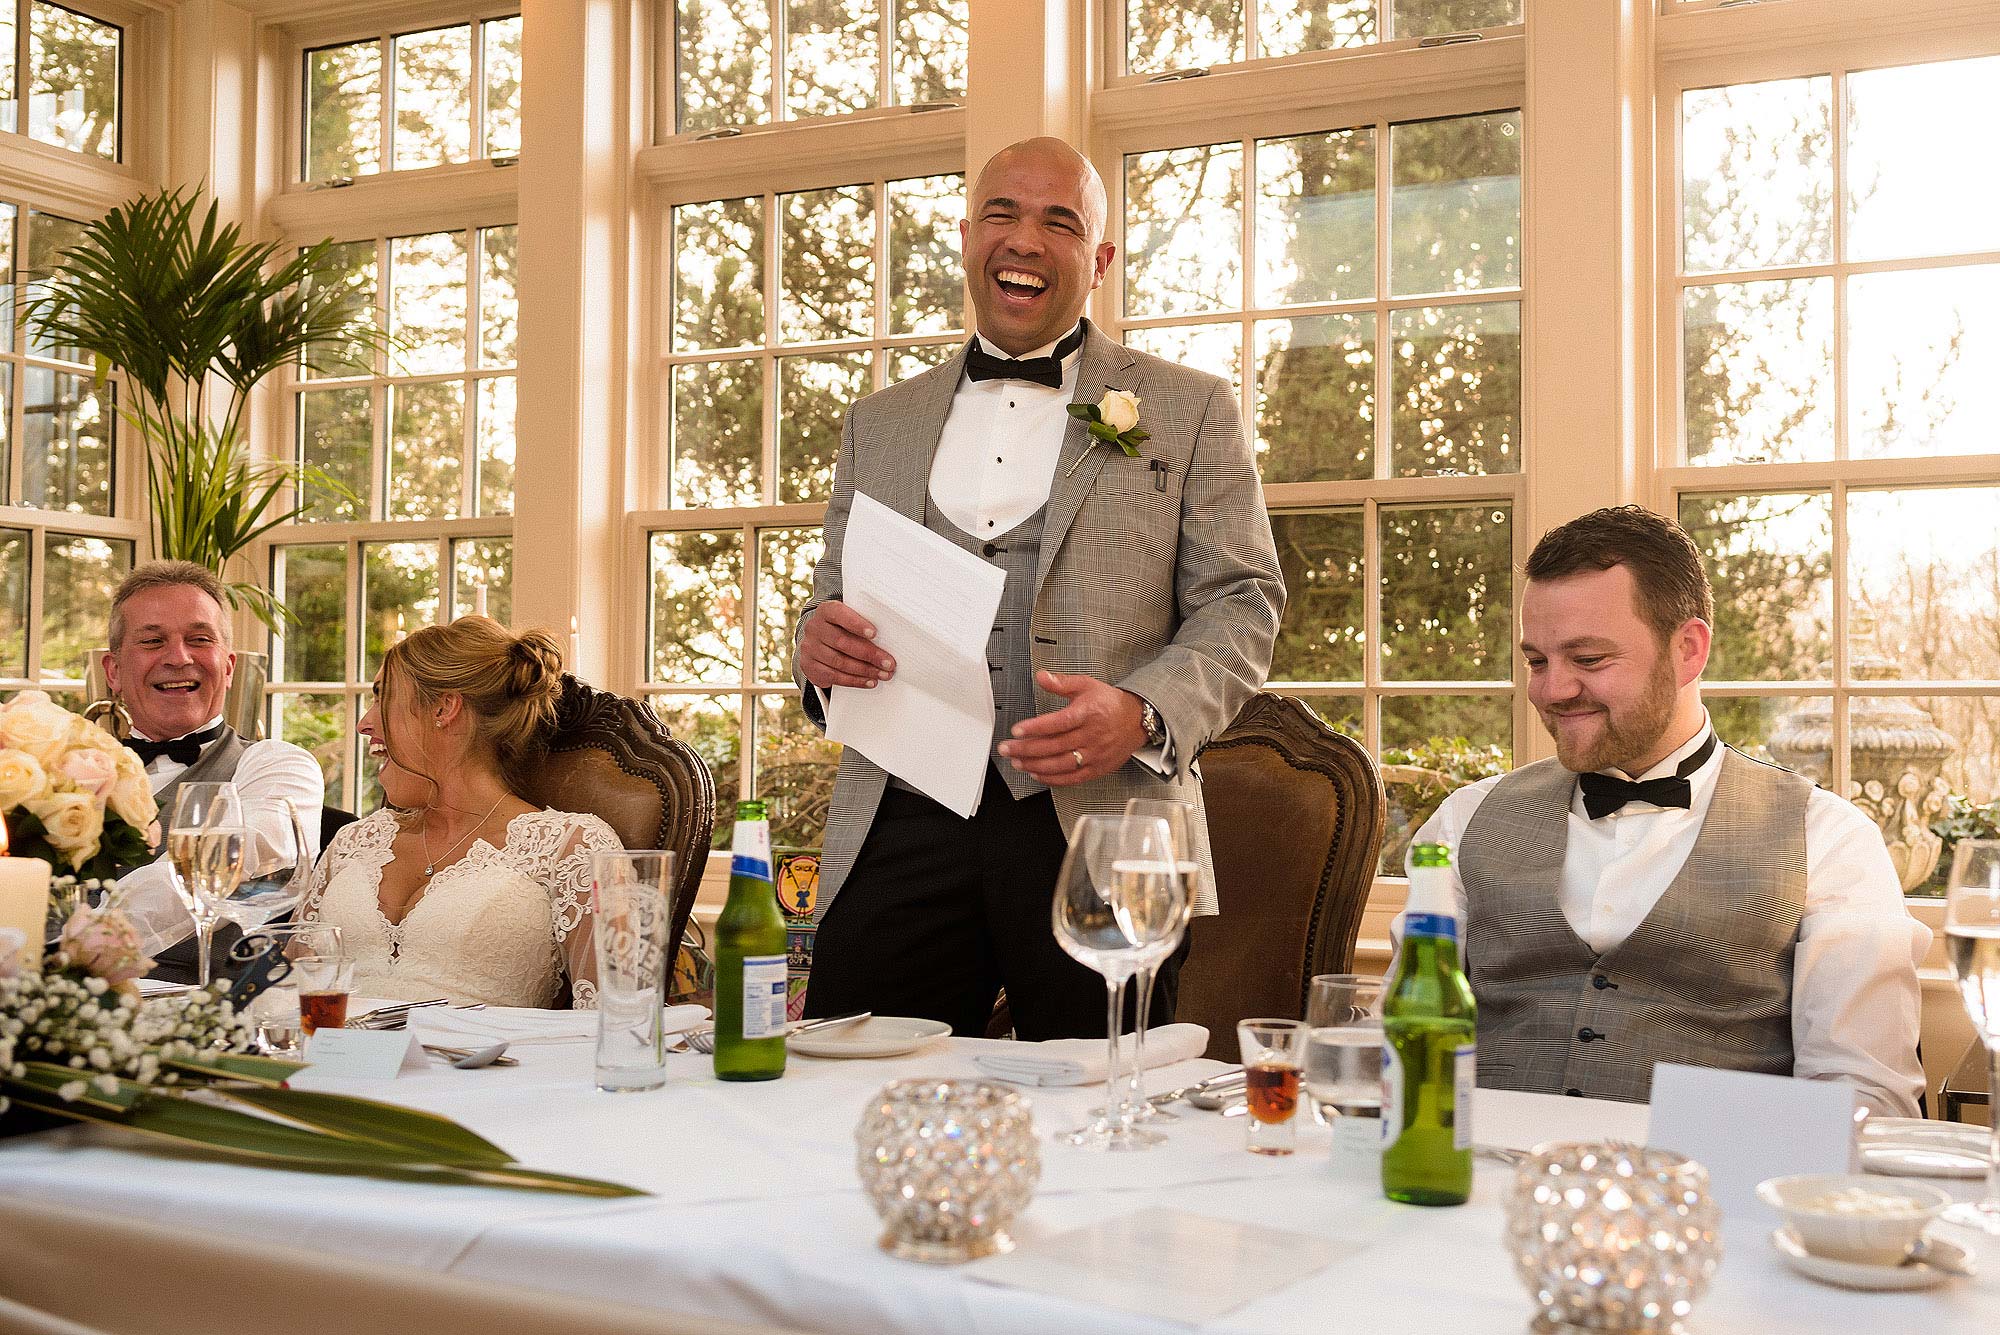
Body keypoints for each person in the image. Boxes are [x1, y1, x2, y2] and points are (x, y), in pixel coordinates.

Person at [792, 136, 1284, 1040]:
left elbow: (1244, 601)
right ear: (968, 236)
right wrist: (817, 645)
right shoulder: (877, 422)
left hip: (1105, 825)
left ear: (1097, 261)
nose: (1024, 240)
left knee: (1103, 1113)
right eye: (1002, 215)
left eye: (1059, 222)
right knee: (843, 1096)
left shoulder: (1191, 407)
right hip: (901, 813)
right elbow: (833, 595)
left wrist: (1141, 711)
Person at [1407, 505, 1928, 1115]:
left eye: (1589, 660)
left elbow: (1865, 1103)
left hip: (1712, 1202)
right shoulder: (1463, 821)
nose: (1551, 690)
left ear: (1687, 649)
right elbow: (1404, 1045)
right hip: (1478, 1197)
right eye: (1537, 661)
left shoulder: (1830, 840)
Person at [298, 617, 622, 1008]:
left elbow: (618, 1021)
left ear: (444, 707)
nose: (364, 723)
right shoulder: (353, 841)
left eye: (383, 696)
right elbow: (288, 994)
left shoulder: (573, 847)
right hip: (330, 1064)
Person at [102, 562, 326, 982]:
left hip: (209, 1018)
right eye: (153, 641)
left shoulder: (276, 766)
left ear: (228, 666)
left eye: (199, 639)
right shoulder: (59, 772)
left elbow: (225, 863)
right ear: (113, 671)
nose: (179, 657)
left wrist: (83, 946)